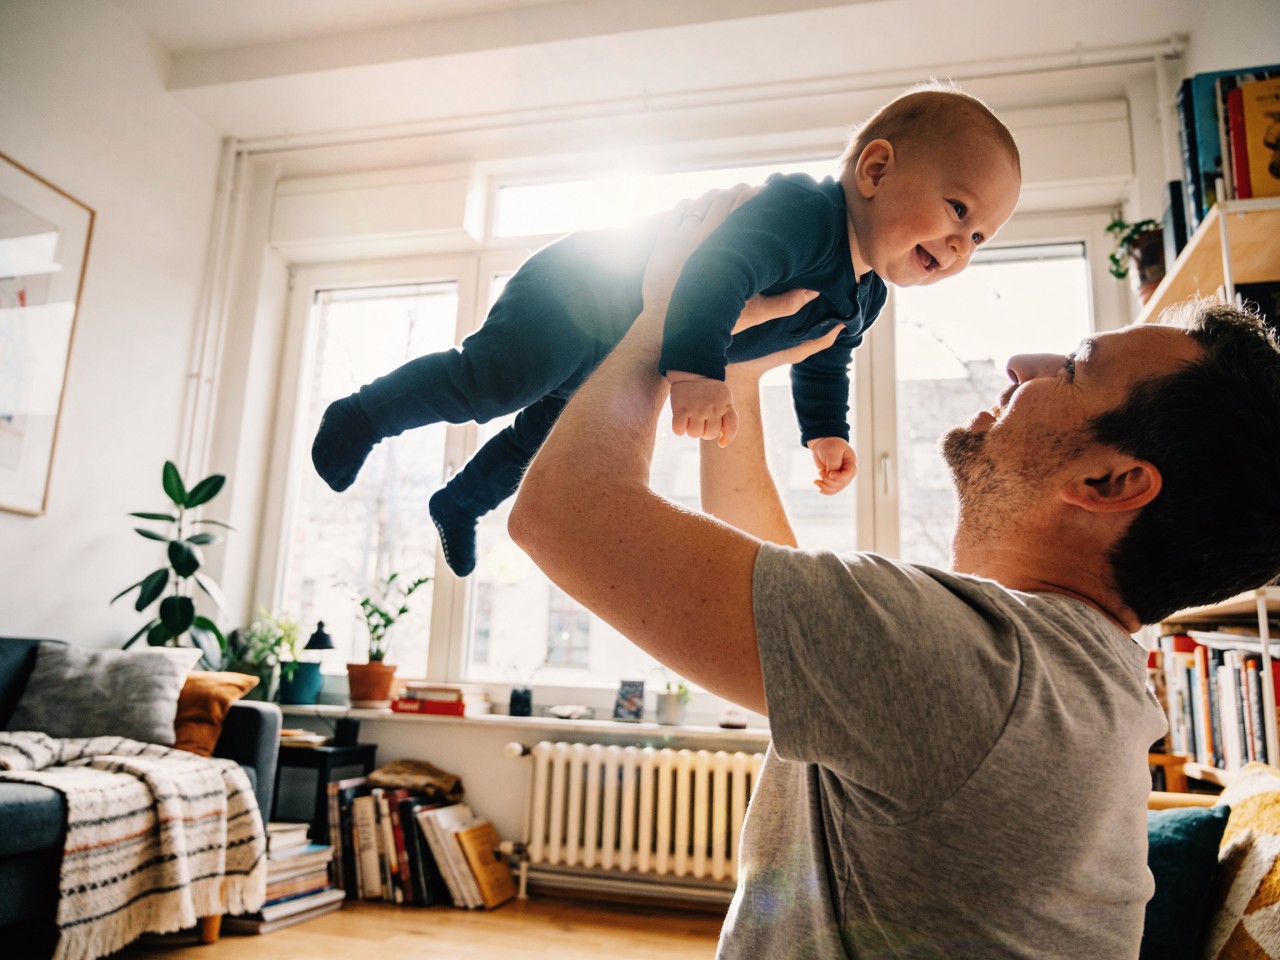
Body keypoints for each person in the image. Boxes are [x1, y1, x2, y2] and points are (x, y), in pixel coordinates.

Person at [507, 187, 1280, 958]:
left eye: (1076, 369)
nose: (1021, 362)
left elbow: (563, 514)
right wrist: (735, 381)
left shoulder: (974, 666)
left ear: (1112, 482)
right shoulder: (1059, 668)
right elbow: (782, 592)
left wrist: (667, 320)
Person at [310, 84, 1022, 577]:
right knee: (492, 384)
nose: (962, 245)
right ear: (875, 168)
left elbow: (824, 360)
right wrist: (697, 373)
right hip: (583, 291)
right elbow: (718, 270)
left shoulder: (866, 296)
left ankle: (461, 500)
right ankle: (363, 414)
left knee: (545, 437)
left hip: (626, 349)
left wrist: (824, 432)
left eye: (981, 237)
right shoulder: (806, 214)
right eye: (957, 208)